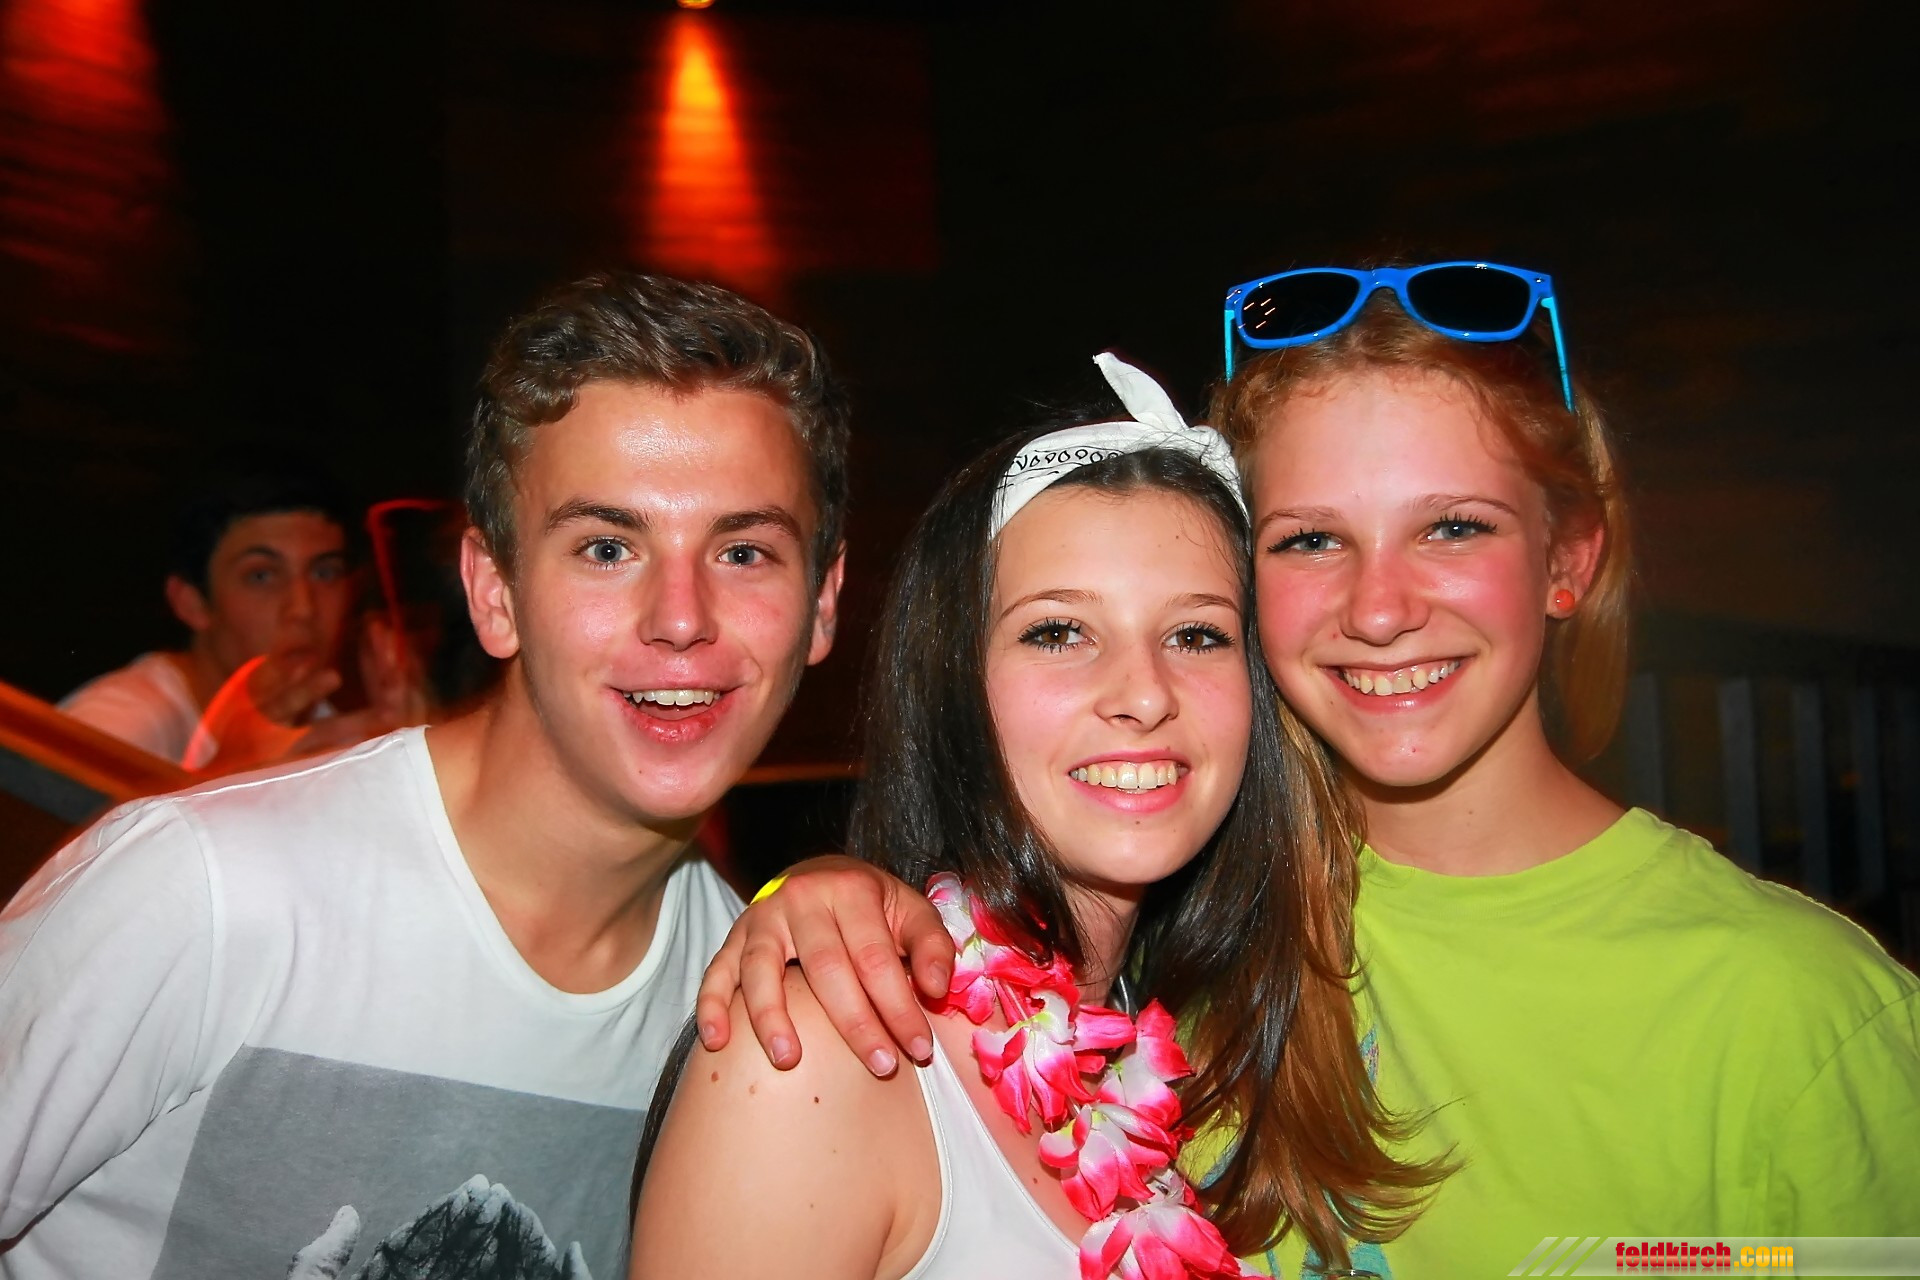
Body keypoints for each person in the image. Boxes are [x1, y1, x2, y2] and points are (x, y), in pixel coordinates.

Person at [696, 264, 1920, 1276]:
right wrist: (825, 891)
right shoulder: (1197, 915)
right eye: (1313, 539)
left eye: (1454, 525)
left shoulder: (1800, 1010)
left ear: (1569, 559)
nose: (1380, 608)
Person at [0, 271, 848, 1280]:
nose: (679, 617)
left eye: (744, 552)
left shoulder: (741, 1010)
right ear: (494, 593)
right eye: (606, 546)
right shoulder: (206, 891)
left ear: (823, 603)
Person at [631, 356, 1436, 1280]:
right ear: (955, 686)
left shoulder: (1176, 1050)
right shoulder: (820, 1055)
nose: (1144, 694)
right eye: (1058, 631)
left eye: (1196, 634)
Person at [55, 468, 385, 771]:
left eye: (325, 573)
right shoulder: (120, 723)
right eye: (261, 576)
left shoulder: (330, 724)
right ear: (191, 603)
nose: (303, 608)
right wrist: (227, 774)